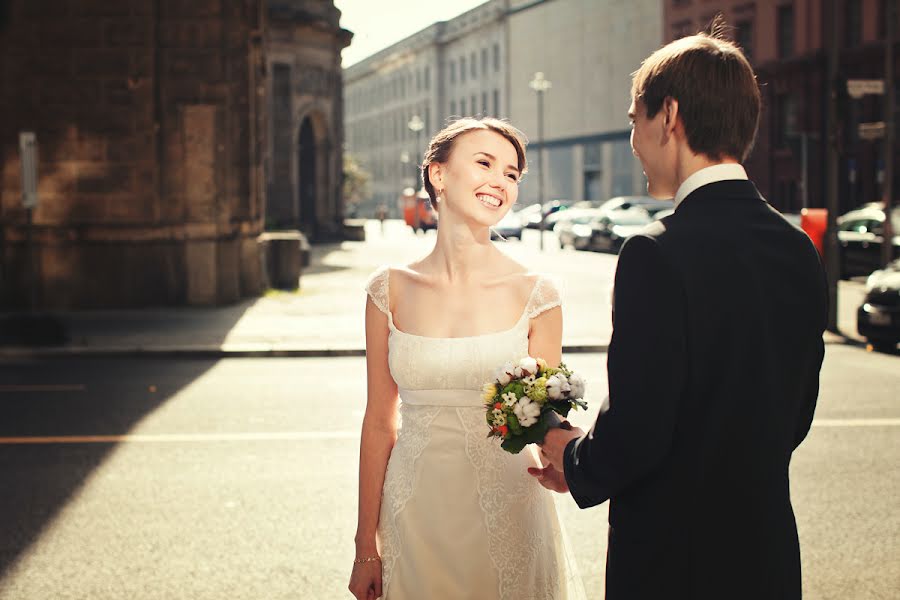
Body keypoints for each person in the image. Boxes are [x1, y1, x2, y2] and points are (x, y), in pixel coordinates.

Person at [533, 29, 828, 600]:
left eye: (634, 120)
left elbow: (641, 428)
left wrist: (572, 457)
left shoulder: (656, 251)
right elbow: (797, 415)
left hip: (674, 561)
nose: (633, 141)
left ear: (668, 117)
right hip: (765, 555)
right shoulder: (797, 248)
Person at [349, 117, 585, 600]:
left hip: (509, 513)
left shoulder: (538, 294)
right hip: (415, 511)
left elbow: (542, 419)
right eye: (484, 163)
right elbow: (379, 422)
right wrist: (365, 545)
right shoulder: (386, 289)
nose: (501, 180)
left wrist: (567, 460)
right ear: (438, 175)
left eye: (513, 174)